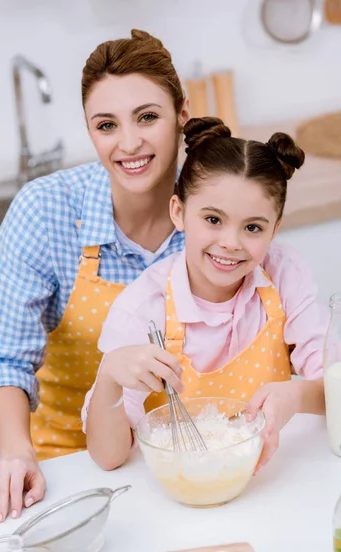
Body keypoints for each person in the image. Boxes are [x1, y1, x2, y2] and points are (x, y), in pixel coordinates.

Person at [0, 29, 189, 523]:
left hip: (194, 452)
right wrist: (16, 453)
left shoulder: (214, 204)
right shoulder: (46, 212)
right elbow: (2, 357)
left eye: (148, 117)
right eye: (106, 125)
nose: (129, 143)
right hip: (73, 469)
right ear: (90, 131)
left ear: (182, 116)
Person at [82, 116, 328, 473]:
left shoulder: (283, 273)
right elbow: (108, 456)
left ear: (275, 230)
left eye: (253, 227)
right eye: (213, 219)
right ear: (179, 213)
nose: (230, 242)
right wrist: (109, 378)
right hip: (181, 482)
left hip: (270, 477)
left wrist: (296, 395)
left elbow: (334, 382)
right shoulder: (143, 308)